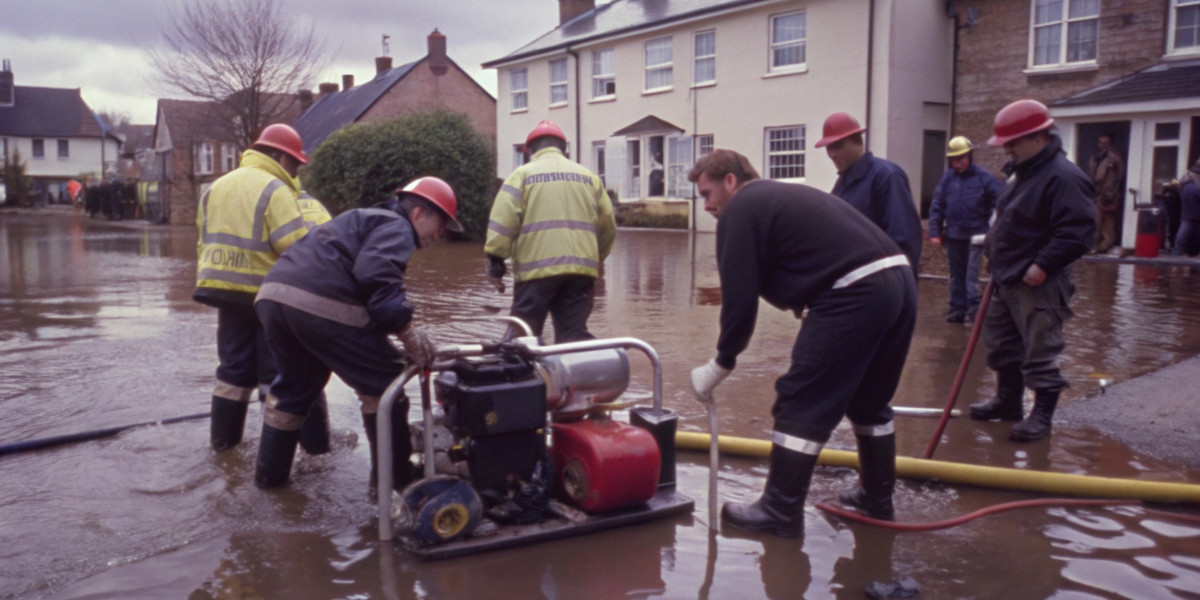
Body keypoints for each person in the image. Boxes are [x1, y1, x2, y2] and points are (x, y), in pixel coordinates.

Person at [687, 149, 917, 538]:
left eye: (708, 193)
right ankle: (876, 501)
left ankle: (778, 510)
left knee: (800, 401)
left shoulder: (742, 207)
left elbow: (739, 299)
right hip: (899, 281)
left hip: (854, 290)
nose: (707, 206)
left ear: (731, 181)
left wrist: (722, 362)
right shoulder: (779, 198)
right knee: (869, 401)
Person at [252, 176, 463, 489]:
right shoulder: (397, 227)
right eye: (441, 225)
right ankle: (394, 491)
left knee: (295, 389)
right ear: (418, 213)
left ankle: (270, 485)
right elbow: (375, 274)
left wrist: (392, 327)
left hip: (273, 297)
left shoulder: (361, 219)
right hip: (318, 301)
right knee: (385, 383)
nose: (439, 235)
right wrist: (407, 331)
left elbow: (364, 287)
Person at [195, 123, 328, 454]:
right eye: (295, 163)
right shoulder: (275, 189)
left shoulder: (215, 187)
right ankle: (306, 457)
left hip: (221, 290)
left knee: (232, 374)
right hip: (267, 297)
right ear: (281, 156)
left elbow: (203, 238)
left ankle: (224, 451)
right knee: (279, 375)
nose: (295, 171)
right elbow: (297, 250)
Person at [968, 99, 1095, 442]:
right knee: (1001, 344)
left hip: (1039, 281)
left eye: (1012, 143)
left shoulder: (1064, 177)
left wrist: (1042, 265)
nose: (1007, 149)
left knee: (1040, 348)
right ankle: (1008, 402)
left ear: (1037, 137)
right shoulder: (1023, 173)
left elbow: (1078, 233)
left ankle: (1041, 415)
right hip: (1007, 276)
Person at [485, 120, 617, 342]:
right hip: (580, 274)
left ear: (531, 150)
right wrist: (594, 259)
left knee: (523, 339)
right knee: (573, 339)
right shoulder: (590, 178)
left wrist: (496, 264)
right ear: (563, 148)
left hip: (536, 275)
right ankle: (576, 375)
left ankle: (524, 374)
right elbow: (609, 227)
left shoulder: (522, 175)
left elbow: (502, 223)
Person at [816, 112, 923, 273]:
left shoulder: (887, 176)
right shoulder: (843, 184)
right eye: (828, 148)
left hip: (880, 285)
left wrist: (898, 287)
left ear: (858, 141)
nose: (832, 154)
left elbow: (904, 240)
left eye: (837, 146)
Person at [928, 136, 1004, 323]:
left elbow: (1001, 202)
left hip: (977, 236)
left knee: (971, 275)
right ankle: (957, 308)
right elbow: (937, 204)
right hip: (954, 235)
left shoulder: (984, 179)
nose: (958, 163)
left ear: (969, 156)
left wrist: (995, 230)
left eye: (962, 159)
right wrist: (935, 231)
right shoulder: (947, 180)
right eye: (954, 160)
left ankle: (974, 310)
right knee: (956, 275)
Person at [1088, 133, 1125, 253]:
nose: (1102, 145)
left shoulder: (1115, 158)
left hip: (1109, 195)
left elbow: (1120, 177)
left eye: (1105, 143)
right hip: (1096, 195)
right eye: (1101, 142)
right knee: (1096, 222)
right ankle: (1095, 246)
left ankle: (1106, 245)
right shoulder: (1094, 158)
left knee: (1108, 223)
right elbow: (1093, 177)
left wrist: (1113, 192)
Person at [1173, 161, 1200, 257]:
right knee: (1186, 231)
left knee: (1186, 231)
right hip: (1193, 213)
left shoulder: (1186, 183)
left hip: (1188, 212)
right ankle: (1179, 252)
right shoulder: (1192, 186)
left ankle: (1179, 252)